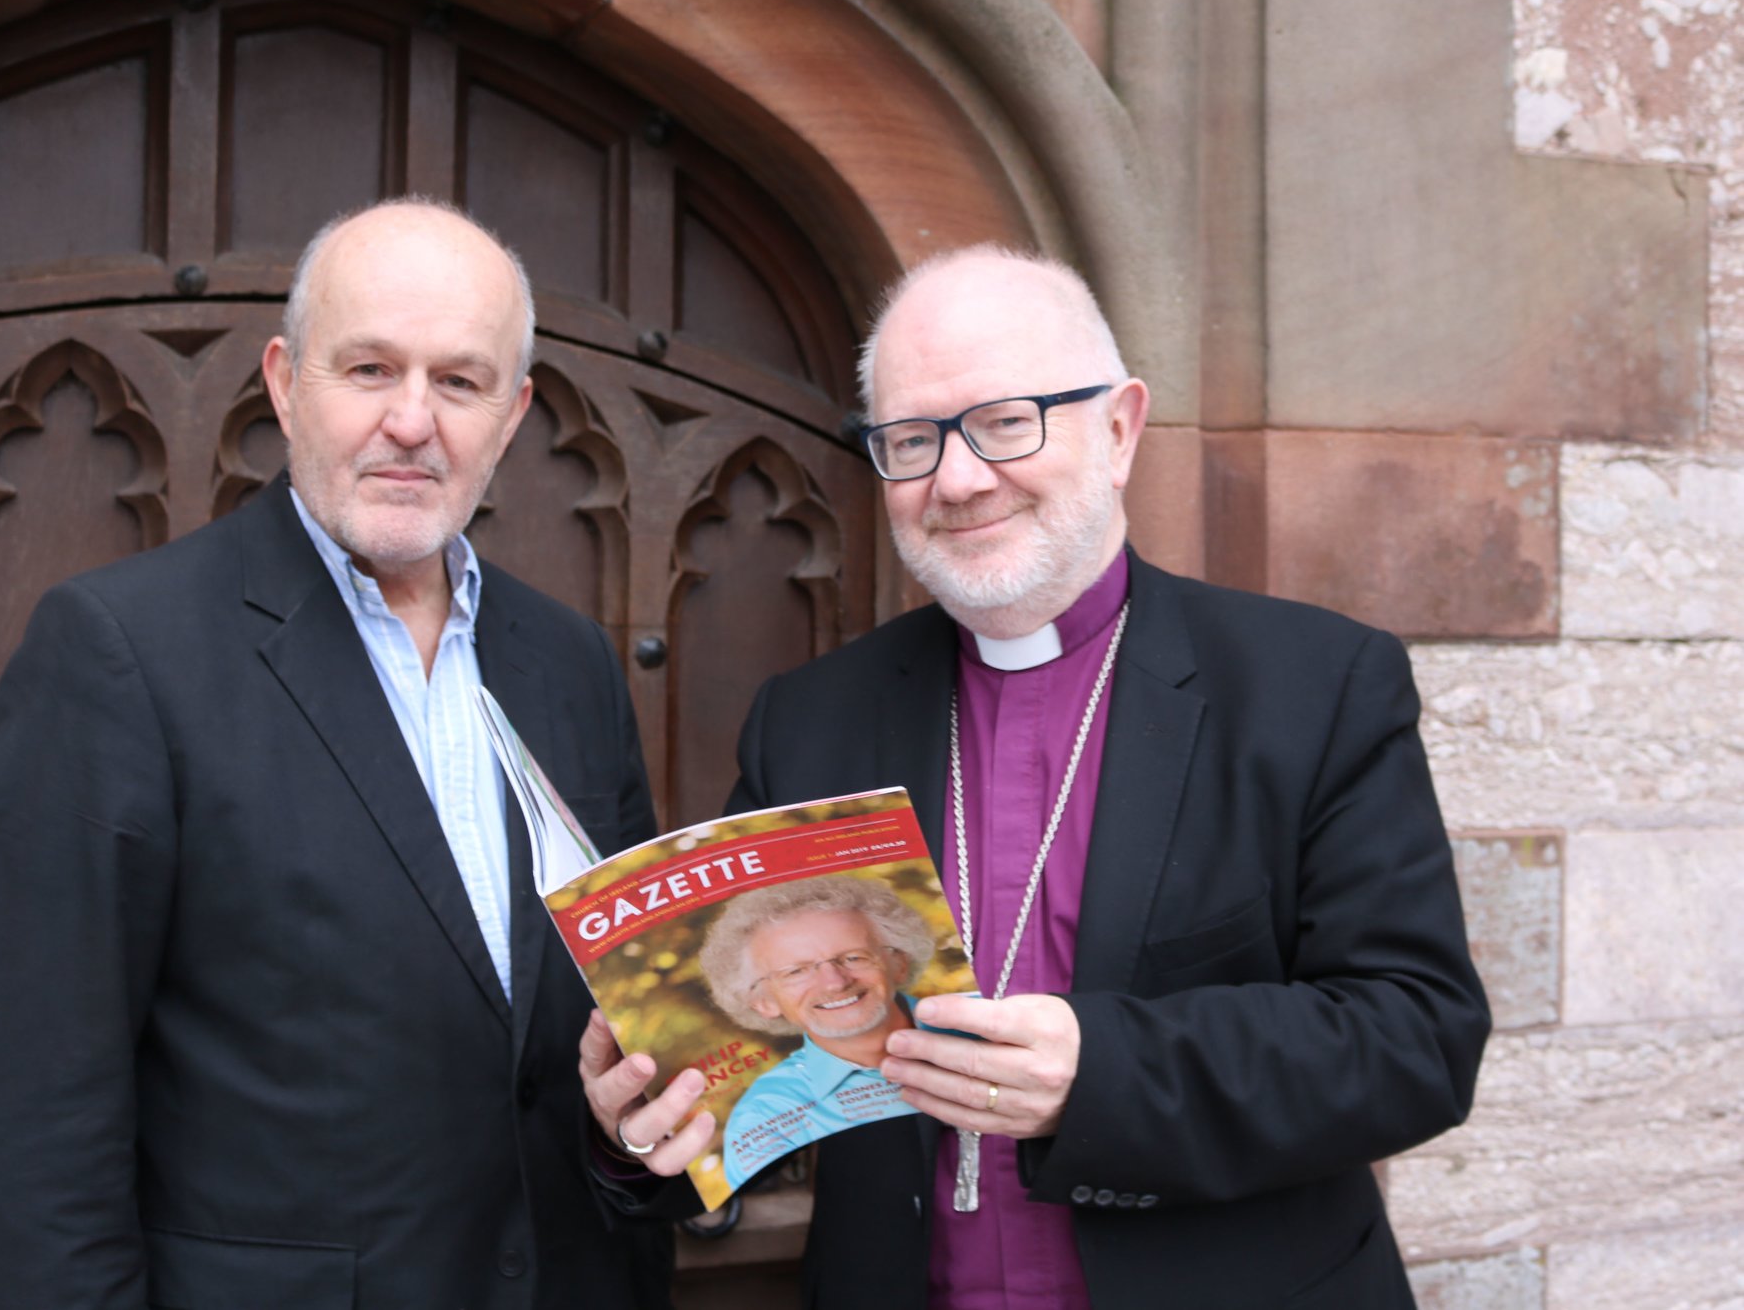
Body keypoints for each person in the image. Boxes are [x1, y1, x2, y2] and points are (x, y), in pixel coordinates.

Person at [582, 245, 1491, 1308]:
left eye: (1007, 421)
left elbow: (1416, 1038)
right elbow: (751, 1070)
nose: (958, 479)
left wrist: (1102, 1073)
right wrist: (640, 1128)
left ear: (1118, 429)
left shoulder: (1313, 685)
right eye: (912, 441)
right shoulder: (815, 717)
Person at [0, 199, 673, 1309]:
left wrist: (628, 1140)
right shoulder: (121, 652)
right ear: (286, 382)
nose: (413, 422)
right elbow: (29, 1118)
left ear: (513, 414)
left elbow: (618, 1035)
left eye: (460, 382)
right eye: (369, 369)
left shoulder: (566, 662)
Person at [698, 875, 934, 1185]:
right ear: (763, 1002)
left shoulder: (982, 1027)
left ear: (898, 963)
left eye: (853, 957)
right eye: (796, 971)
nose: (835, 982)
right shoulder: (768, 1109)